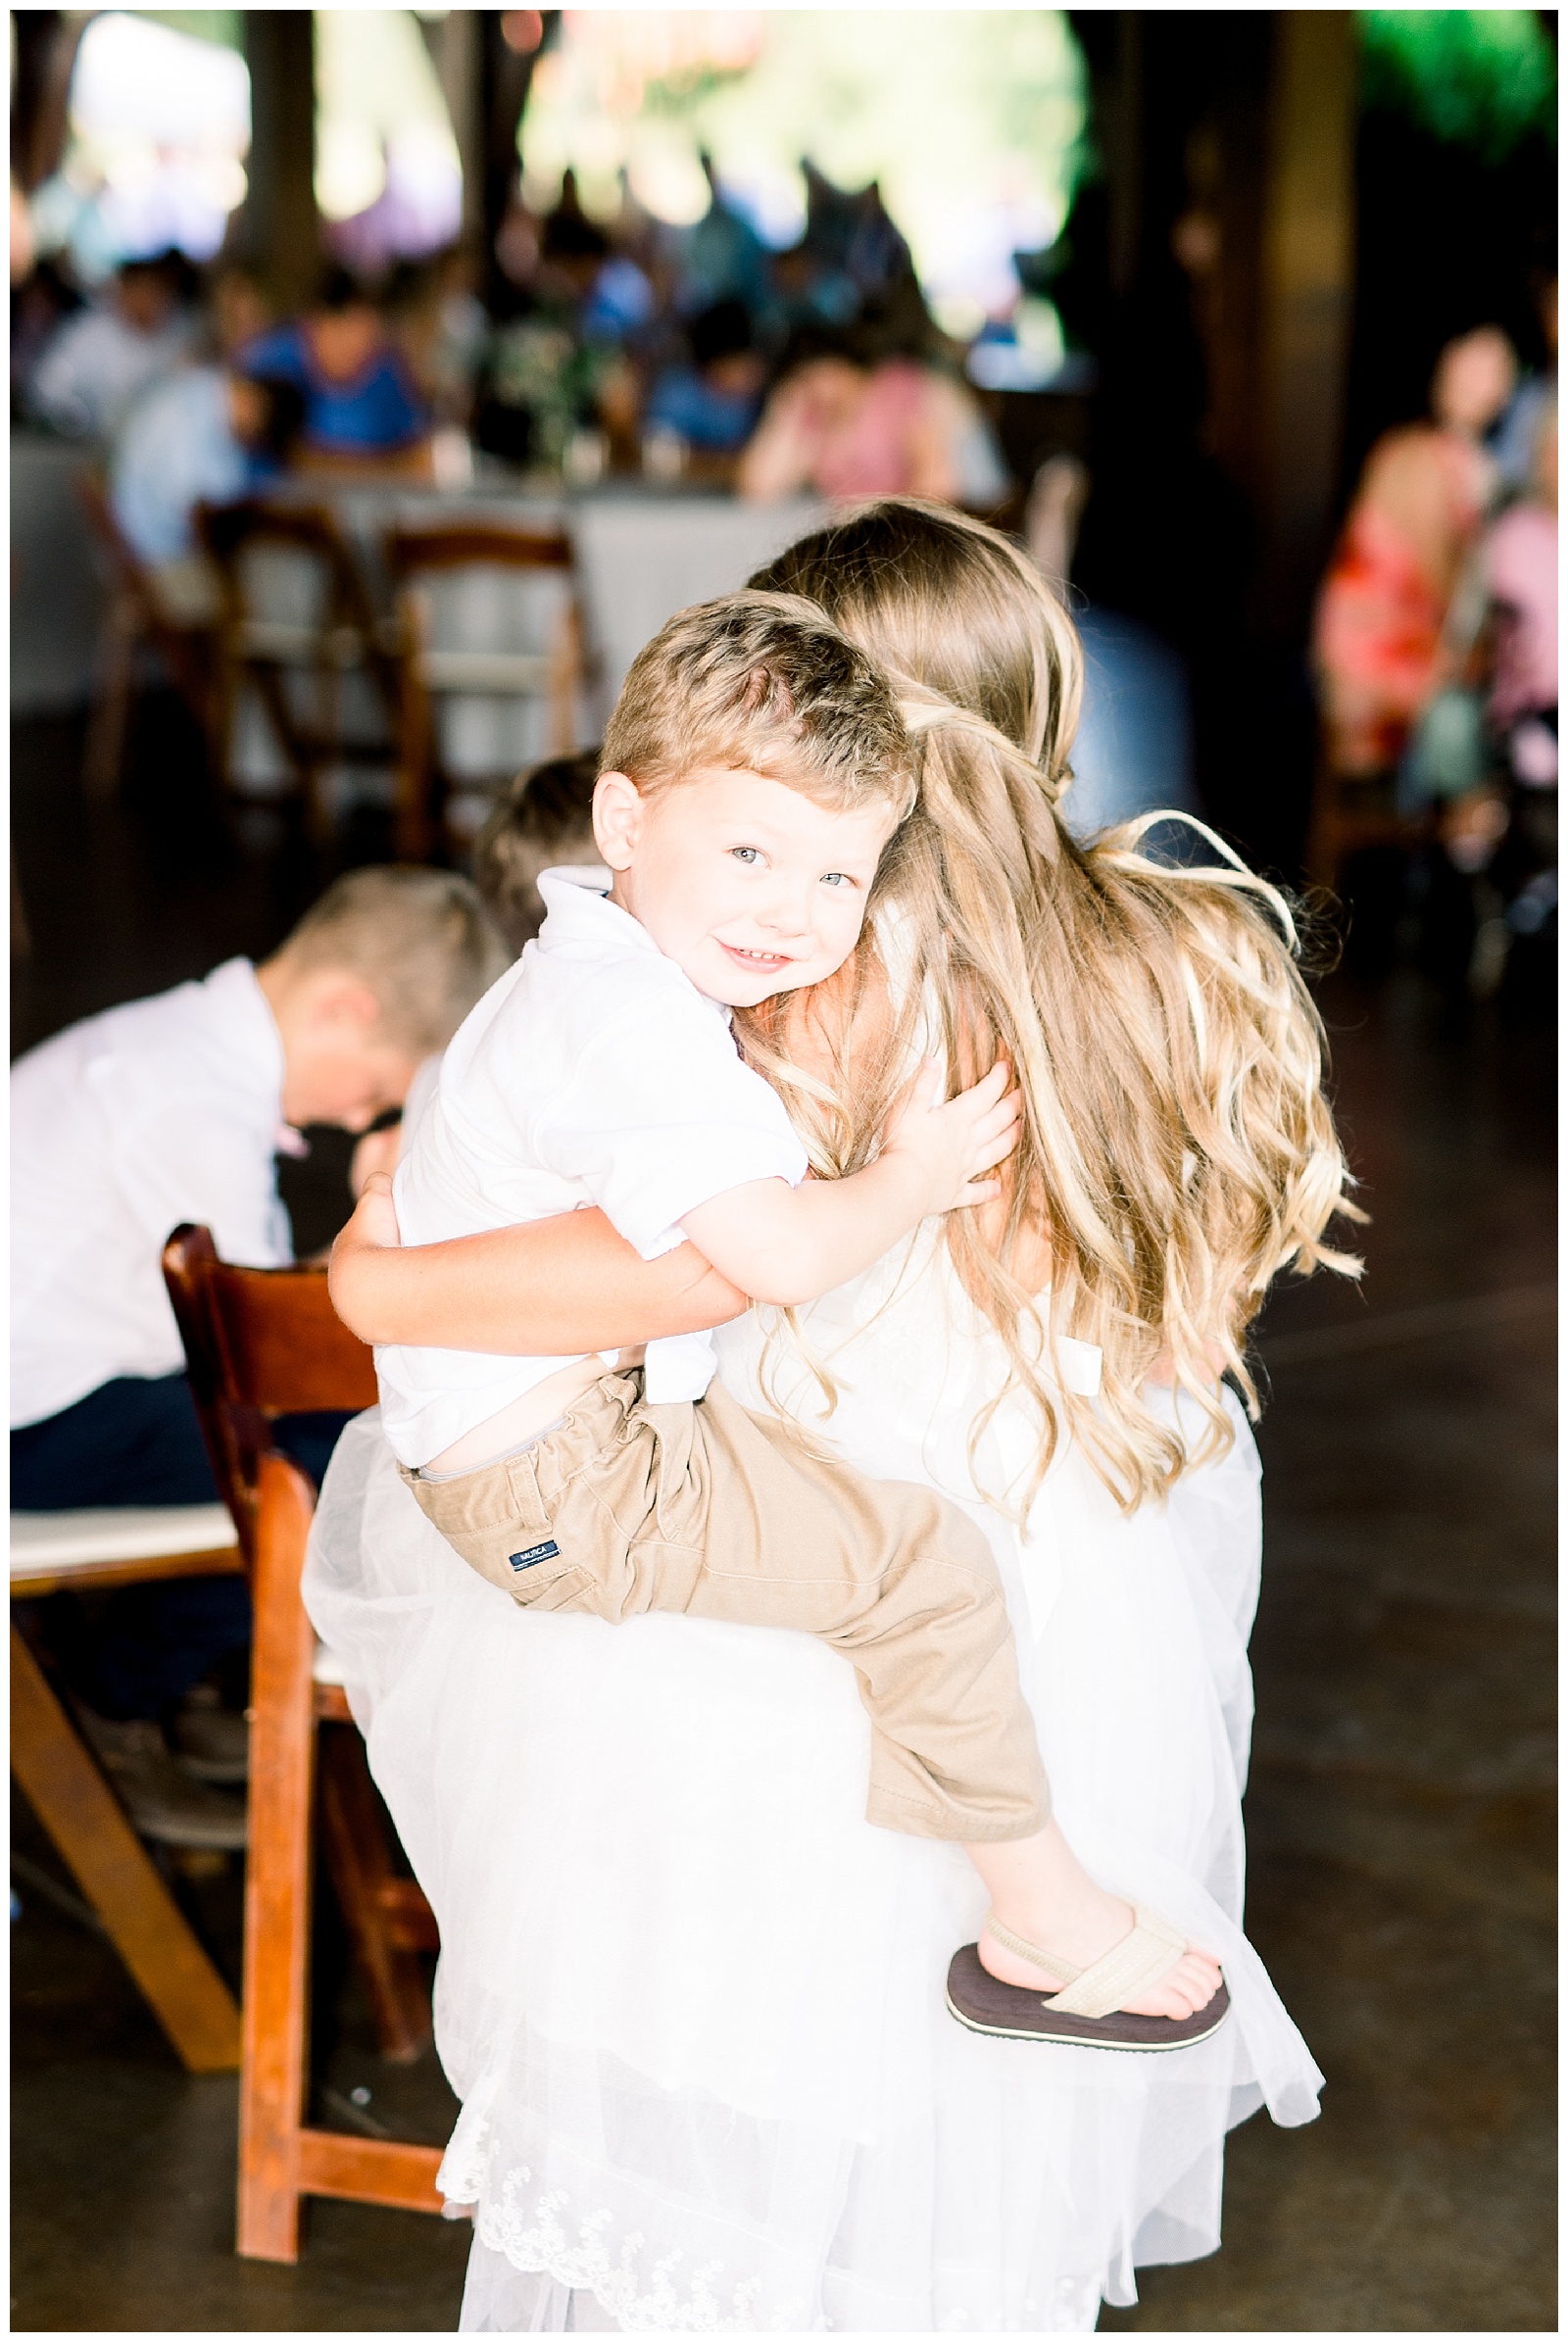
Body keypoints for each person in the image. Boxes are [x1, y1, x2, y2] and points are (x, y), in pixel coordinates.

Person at [309, 500, 1357, 2330]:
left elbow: (651, 1279)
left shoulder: (771, 987)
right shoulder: (1181, 959)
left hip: (747, 1651)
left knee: (714, 2172)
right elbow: (1200, 1332)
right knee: (956, 2204)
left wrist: (380, 1286)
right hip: (1059, 1618)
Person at [375, 592, 1224, 2048]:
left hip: (531, 1442)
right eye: (753, 852)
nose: (792, 911)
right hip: (567, 1484)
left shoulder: (597, 966)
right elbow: (768, 1255)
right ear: (624, 821)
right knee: (927, 1569)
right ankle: (1041, 1922)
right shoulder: (630, 1024)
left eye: (838, 876)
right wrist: (915, 1170)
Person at [11, 868, 507, 1848]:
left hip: (49, 1386)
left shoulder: (173, 1046)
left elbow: (260, 1296)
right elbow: (271, 1348)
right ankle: (107, 1703)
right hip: (27, 1423)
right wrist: (395, 1220)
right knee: (347, 1463)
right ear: (343, 1007)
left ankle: (180, 1673)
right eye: (375, 1085)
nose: (353, 1113)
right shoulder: (189, 1103)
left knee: (328, 1437)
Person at [1314, 324, 1518, 777]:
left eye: (1498, 369)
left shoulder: (1474, 466)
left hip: (1419, 649)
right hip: (1379, 656)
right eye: (1475, 363)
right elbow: (1433, 574)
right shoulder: (1413, 456)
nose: (1487, 383)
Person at [109, 364, 305, 617]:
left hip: (136, 544)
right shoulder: (208, 438)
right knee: (278, 596)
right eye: (257, 435)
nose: (252, 444)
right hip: (162, 566)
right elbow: (204, 516)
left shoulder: (195, 389)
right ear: (254, 404)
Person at [239, 265, 429, 466]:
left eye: (369, 345)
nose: (359, 356)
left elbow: (418, 448)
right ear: (315, 323)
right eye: (345, 340)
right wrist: (392, 468)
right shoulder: (271, 362)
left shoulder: (385, 371)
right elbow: (290, 459)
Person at [27, 249, 197, 439]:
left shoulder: (182, 334)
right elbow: (48, 389)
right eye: (141, 288)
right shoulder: (89, 333)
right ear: (123, 290)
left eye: (158, 291)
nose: (149, 299)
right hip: (88, 444)